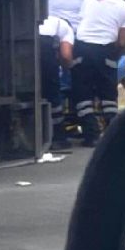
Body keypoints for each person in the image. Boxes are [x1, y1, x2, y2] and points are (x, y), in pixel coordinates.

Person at [72, 0, 125, 146]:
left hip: (82, 47)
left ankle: (91, 135)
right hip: (105, 49)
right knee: (108, 94)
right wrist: (115, 55)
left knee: (83, 92)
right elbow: (122, 40)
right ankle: (112, 133)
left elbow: (81, 21)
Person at [39, 15, 75, 150]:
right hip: (45, 49)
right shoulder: (66, 28)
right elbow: (66, 55)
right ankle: (57, 138)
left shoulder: (49, 20)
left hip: (23, 43)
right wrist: (69, 68)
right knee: (52, 97)